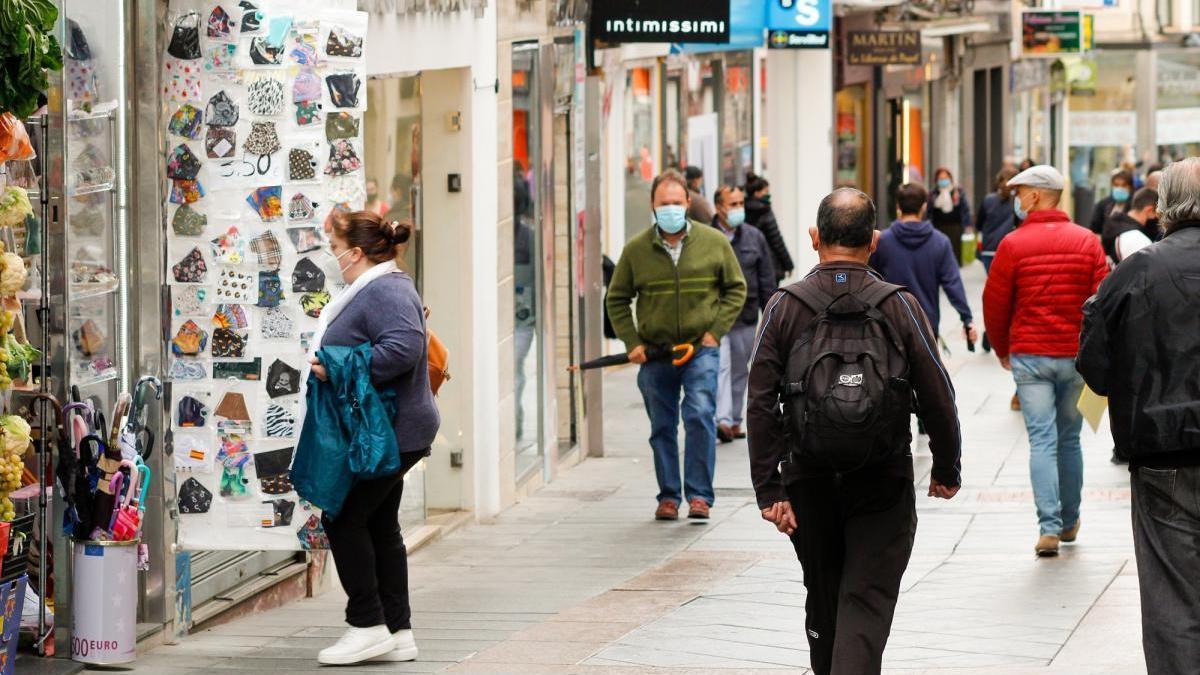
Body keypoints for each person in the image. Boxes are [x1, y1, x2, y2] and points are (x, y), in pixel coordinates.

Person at [748, 187, 961, 675]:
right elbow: (936, 392)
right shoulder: (899, 306)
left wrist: (769, 488)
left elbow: (758, 401)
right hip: (881, 479)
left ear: (814, 237)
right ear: (875, 241)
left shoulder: (784, 306)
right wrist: (946, 467)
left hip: (808, 482)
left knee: (823, 600)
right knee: (864, 603)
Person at [1077, 157, 1200, 675]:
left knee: (1172, 593)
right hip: (1163, 450)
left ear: (1163, 207)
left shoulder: (1139, 269)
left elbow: (1097, 371)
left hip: (1163, 452)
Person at [311, 211, 440, 665]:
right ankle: (397, 631)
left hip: (392, 431)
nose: (332, 256)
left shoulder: (386, 289)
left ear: (357, 252)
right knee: (381, 524)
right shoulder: (381, 286)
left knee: (344, 518)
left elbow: (404, 349)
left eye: (334, 247)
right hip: (390, 428)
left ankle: (366, 624)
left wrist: (335, 367)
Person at [982, 165, 1108, 557]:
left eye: (1020, 194)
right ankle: (1070, 520)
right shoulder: (1088, 242)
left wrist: (1003, 347)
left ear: (1037, 196)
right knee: (1070, 440)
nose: (1016, 201)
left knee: (1041, 440)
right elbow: (1101, 303)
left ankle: (1048, 527)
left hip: (1031, 357)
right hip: (1075, 356)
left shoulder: (1013, 245)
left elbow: (996, 302)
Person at [606, 170, 747, 521]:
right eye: (663, 204)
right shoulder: (637, 250)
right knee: (662, 426)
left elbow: (736, 289)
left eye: (675, 203)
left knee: (700, 415)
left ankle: (699, 495)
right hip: (655, 353)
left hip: (701, 349)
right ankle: (669, 495)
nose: (670, 209)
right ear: (653, 206)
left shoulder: (714, 243)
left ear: (688, 202)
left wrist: (715, 331)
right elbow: (617, 298)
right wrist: (632, 341)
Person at [870, 183, 976, 345]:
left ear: (898, 207)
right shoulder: (940, 242)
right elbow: (952, 284)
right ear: (924, 207)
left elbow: (869, 280)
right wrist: (966, 319)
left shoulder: (882, 241)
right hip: (926, 324)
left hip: (888, 325)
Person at [710, 185, 775, 443]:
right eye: (732, 204)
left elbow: (766, 278)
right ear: (718, 207)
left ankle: (734, 420)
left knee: (739, 370)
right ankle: (721, 420)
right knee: (720, 367)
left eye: (740, 203)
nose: (738, 209)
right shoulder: (706, 236)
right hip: (715, 317)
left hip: (745, 316)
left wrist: (769, 317)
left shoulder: (754, 237)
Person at [744, 172, 794, 282]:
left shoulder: (742, 209)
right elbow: (776, 240)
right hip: (769, 264)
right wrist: (788, 264)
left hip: (748, 265)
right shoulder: (765, 211)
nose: (768, 194)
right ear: (756, 193)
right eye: (766, 191)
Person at [976, 167, 1019, 274]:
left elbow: (979, 225)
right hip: (1009, 251)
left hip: (989, 250)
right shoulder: (1018, 202)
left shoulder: (988, 200)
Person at [1101, 187, 1159, 265]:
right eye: (1156, 214)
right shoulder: (1138, 240)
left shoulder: (1115, 224)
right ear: (1149, 210)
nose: (1157, 219)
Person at [927, 167, 972, 267]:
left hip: (955, 228)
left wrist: (967, 225)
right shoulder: (933, 193)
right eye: (941, 178)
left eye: (945, 178)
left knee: (954, 254)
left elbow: (965, 209)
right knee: (939, 254)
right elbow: (929, 212)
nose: (943, 181)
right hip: (938, 228)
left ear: (950, 178)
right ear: (937, 180)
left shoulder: (957, 192)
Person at [1088, 170, 1134, 234]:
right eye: (1116, 185)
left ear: (1130, 187)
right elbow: (1094, 227)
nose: (1120, 188)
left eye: (1124, 185)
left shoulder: (1135, 205)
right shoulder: (1103, 204)